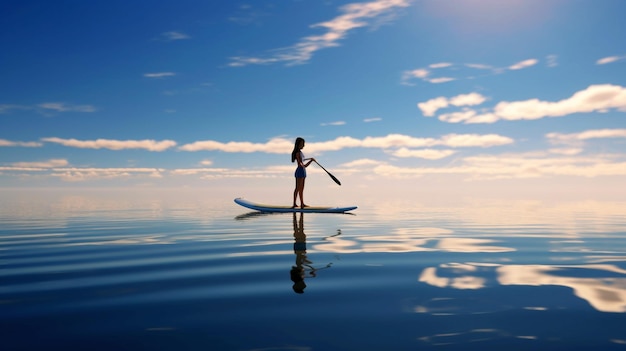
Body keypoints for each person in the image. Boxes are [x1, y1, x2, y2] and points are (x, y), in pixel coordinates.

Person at [291, 137, 315, 208]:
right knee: (297, 188)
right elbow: (302, 165)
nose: (303, 145)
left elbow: (303, 162)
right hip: (300, 171)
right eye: (302, 144)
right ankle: (294, 204)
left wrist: (310, 160)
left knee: (301, 189)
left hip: (303, 172)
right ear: (298, 144)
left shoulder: (301, 153)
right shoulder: (298, 153)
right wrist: (311, 161)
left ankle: (302, 203)